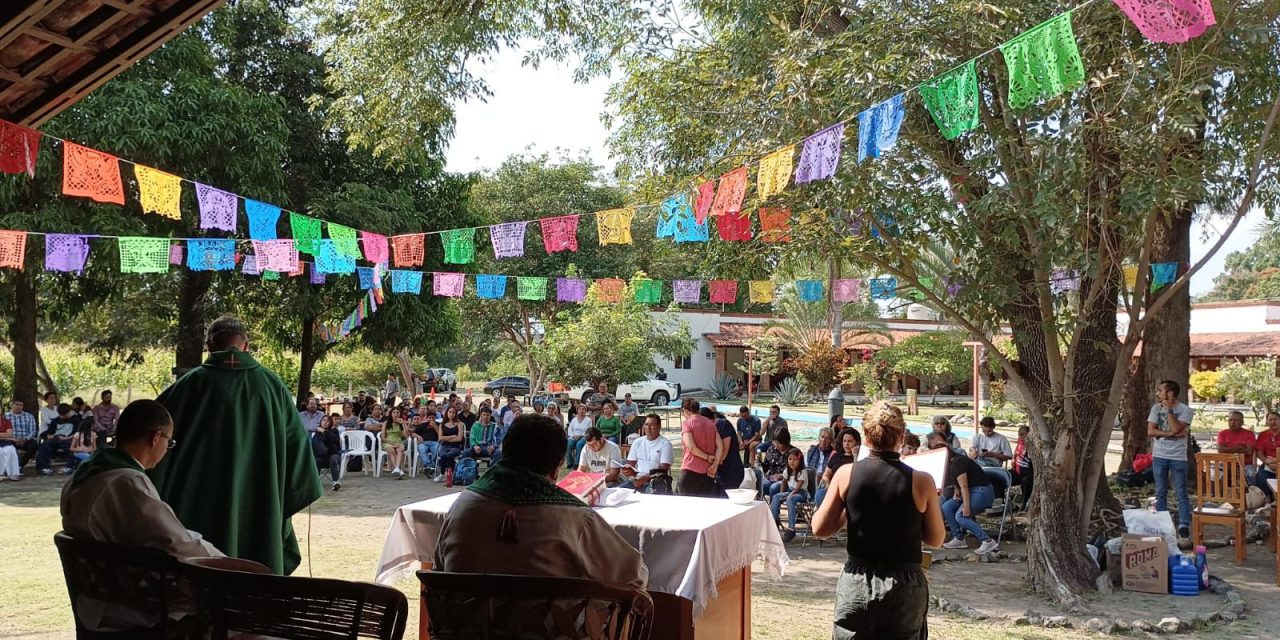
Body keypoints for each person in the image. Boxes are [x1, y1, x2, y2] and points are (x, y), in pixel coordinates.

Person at [149, 316, 321, 575]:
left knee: (197, 579)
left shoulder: (187, 386)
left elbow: (149, 442)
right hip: (259, 501)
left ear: (209, 345)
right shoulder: (272, 387)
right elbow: (297, 449)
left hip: (195, 501)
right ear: (246, 345)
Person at [61, 400, 225, 633]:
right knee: (239, 614)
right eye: (170, 441)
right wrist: (227, 562)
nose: (167, 449)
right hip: (128, 602)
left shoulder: (83, 475)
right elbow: (176, 543)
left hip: (95, 595)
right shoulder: (126, 481)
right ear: (156, 437)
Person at [433, 414, 647, 588]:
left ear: (505, 452)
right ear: (556, 467)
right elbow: (634, 574)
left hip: (464, 628)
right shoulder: (574, 517)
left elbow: (438, 570)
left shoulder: (462, 505)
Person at [811, 400, 944, 640]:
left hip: (858, 579)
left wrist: (848, 508)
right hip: (904, 583)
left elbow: (820, 528)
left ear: (865, 435)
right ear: (901, 436)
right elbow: (936, 538)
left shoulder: (846, 475)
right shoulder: (922, 481)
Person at [932, 432, 999, 555]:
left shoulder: (958, 462)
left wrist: (966, 507)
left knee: (961, 515)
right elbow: (957, 483)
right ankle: (959, 538)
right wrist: (956, 490)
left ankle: (987, 541)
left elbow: (964, 485)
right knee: (947, 507)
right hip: (969, 491)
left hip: (981, 491)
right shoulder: (947, 465)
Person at [1147, 379, 1194, 541]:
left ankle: (1184, 525)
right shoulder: (1155, 408)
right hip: (1159, 456)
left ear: (1170, 393)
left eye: (1160, 390)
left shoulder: (1185, 410)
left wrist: (1169, 412)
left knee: (1181, 492)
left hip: (1178, 457)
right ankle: (1161, 523)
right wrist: (1172, 434)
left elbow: (1175, 427)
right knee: (1160, 492)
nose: (1157, 393)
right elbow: (1151, 431)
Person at [619, 414, 674, 494]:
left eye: (651, 425)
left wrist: (645, 478)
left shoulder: (665, 444)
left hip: (656, 481)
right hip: (637, 480)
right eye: (646, 425)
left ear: (659, 427)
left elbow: (663, 469)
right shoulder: (637, 442)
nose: (648, 428)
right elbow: (631, 465)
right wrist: (628, 470)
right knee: (617, 492)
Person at [678, 398, 722, 497]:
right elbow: (720, 446)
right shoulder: (711, 423)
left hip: (690, 469)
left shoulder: (687, 423)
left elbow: (691, 447)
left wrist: (706, 456)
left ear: (685, 410)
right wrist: (715, 464)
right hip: (708, 471)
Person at [814, 428, 861, 508]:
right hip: (832, 488)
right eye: (844, 441)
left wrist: (855, 455)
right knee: (821, 494)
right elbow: (826, 475)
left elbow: (857, 474)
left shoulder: (860, 457)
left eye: (850, 441)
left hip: (849, 491)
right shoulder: (836, 456)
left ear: (856, 443)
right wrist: (829, 487)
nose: (846, 444)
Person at [770, 449, 809, 542]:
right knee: (776, 497)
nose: (792, 462)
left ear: (800, 461)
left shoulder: (802, 472)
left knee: (790, 499)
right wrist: (781, 494)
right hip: (790, 491)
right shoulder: (787, 470)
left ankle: (791, 528)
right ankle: (773, 522)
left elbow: (798, 488)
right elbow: (784, 482)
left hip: (801, 493)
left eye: (795, 460)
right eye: (790, 459)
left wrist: (788, 496)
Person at [706, 407, 744, 495]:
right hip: (719, 471)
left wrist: (715, 465)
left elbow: (725, 450)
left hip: (731, 470)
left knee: (725, 499)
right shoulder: (710, 429)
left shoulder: (723, 425)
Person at [37, 403, 80, 476]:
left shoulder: (77, 420)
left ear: (69, 412)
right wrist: (53, 436)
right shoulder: (55, 421)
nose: (61, 416)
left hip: (70, 439)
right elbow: (49, 434)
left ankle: (69, 466)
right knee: (44, 446)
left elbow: (78, 434)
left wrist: (65, 438)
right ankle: (44, 467)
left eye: (64, 414)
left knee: (73, 445)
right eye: (60, 414)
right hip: (56, 439)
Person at [1217, 410, 1256, 477]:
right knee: (1214, 476)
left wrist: (1228, 450)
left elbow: (1248, 452)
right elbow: (1220, 450)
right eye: (1230, 420)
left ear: (1242, 422)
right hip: (1226, 464)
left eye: (1235, 420)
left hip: (1245, 465)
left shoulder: (1249, 434)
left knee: (1251, 475)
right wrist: (1239, 447)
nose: (1232, 422)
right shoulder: (1222, 433)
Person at [762, 429, 796, 499]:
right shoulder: (771, 449)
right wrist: (758, 463)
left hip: (786, 481)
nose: (776, 445)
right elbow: (765, 467)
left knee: (774, 487)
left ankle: (773, 507)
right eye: (775, 442)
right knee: (762, 484)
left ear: (785, 442)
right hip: (771, 478)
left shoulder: (794, 453)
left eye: (779, 443)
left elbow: (798, 472)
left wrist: (783, 475)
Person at [1254, 412, 1280, 502]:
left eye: (1275, 419)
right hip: (1267, 463)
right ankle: (1267, 498)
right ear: (1267, 422)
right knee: (1261, 475)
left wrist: (1276, 461)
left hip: (1278, 462)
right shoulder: (1263, 434)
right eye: (1270, 420)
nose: (1273, 422)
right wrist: (1267, 462)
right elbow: (1259, 451)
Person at [312, 415, 343, 491]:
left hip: (332, 454)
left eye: (327, 421)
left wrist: (324, 431)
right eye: (323, 420)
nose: (325, 422)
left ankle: (336, 482)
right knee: (316, 460)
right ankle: (315, 483)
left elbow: (334, 439)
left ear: (330, 423)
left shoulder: (334, 431)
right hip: (321, 456)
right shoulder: (316, 433)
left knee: (333, 458)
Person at [3, 400, 37, 469]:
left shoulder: (29, 416)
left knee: (34, 445)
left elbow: (32, 432)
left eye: (21, 405)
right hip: (11, 439)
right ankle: (11, 466)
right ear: (11, 405)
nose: (19, 406)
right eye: (17, 404)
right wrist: (14, 439)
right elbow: (4, 431)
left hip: (25, 440)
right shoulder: (5, 417)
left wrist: (24, 439)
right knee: (7, 446)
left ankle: (20, 465)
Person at [436, 411, 467, 484]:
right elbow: (440, 438)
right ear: (447, 413)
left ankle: (450, 474)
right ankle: (442, 473)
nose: (451, 414)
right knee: (443, 455)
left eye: (453, 412)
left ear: (455, 414)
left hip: (456, 446)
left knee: (449, 454)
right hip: (444, 446)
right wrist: (452, 436)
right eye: (450, 412)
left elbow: (459, 438)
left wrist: (446, 438)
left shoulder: (459, 424)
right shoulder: (442, 425)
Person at [416, 406, 444, 477]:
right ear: (427, 418)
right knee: (422, 449)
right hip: (424, 442)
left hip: (435, 442)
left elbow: (441, 435)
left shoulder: (439, 425)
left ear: (435, 418)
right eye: (430, 418)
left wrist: (435, 426)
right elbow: (413, 432)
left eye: (433, 418)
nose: (431, 419)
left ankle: (431, 466)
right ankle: (429, 465)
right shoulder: (423, 425)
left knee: (438, 449)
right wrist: (418, 436)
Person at [382, 406, 410, 478]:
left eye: (398, 412)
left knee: (400, 449)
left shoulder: (401, 423)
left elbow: (407, 436)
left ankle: (396, 469)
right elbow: (383, 437)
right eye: (394, 412)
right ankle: (397, 469)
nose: (396, 414)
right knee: (392, 451)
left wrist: (403, 424)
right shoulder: (386, 423)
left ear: (400, 414)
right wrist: (392, 443)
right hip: (388, 441)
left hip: (398, 441)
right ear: (391, 414)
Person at [1011, 425, 1034, 510]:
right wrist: (1013, 459)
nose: (1020, 437)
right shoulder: (1020, 442)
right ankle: (1002, 502)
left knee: (1026, 482)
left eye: (1022, 435)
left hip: (1029, 472)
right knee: (1005, 475)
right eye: (1019, 435)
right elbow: (1016, 452)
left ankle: (1024, 503)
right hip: (1018, 470)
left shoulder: (1032, 445)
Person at [566, 404, 592, 469]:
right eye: (579, 409)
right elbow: (570, 429)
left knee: (579, 444)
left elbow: (588, 430)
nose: (581, 410)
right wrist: (573, 436)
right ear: (577, 411)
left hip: (584, 436)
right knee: (568, 443)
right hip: (573, 436)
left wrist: (580, 436)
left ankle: (577, 463)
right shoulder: (574, 419)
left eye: (583, 409)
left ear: (585, 411)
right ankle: (570, 462)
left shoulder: (588, 420)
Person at [0, 414, 20, 480]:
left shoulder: (7, 421)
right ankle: (1, 473)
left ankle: (13, 473)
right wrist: (4, 435)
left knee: (11, 450)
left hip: (6, 442)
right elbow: (7, 435)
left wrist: (6, 436)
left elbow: (9, 434)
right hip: (5, 440)